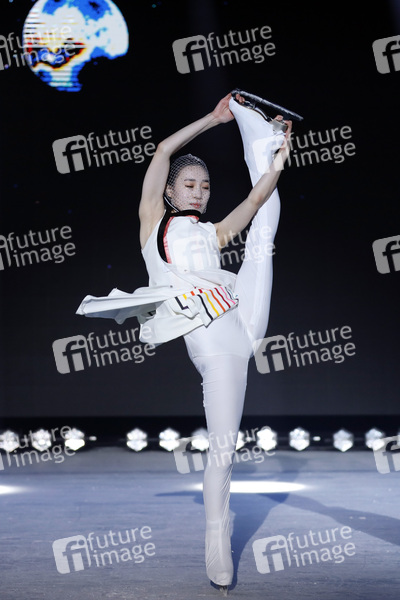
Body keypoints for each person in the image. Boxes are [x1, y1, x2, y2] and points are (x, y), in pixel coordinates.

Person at [76, 91, 292, 594]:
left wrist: (277, 159)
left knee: (264, 221)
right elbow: (161, 152)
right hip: (216, 346)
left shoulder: (213, 234)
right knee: (223, 450)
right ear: (172, 191)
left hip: (242, 315)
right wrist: (213, 119)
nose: (199, 192)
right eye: (190, 185)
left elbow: (254, 201)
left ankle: (264, 140)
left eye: (205, 186)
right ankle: (217, 542)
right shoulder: (154, 224)